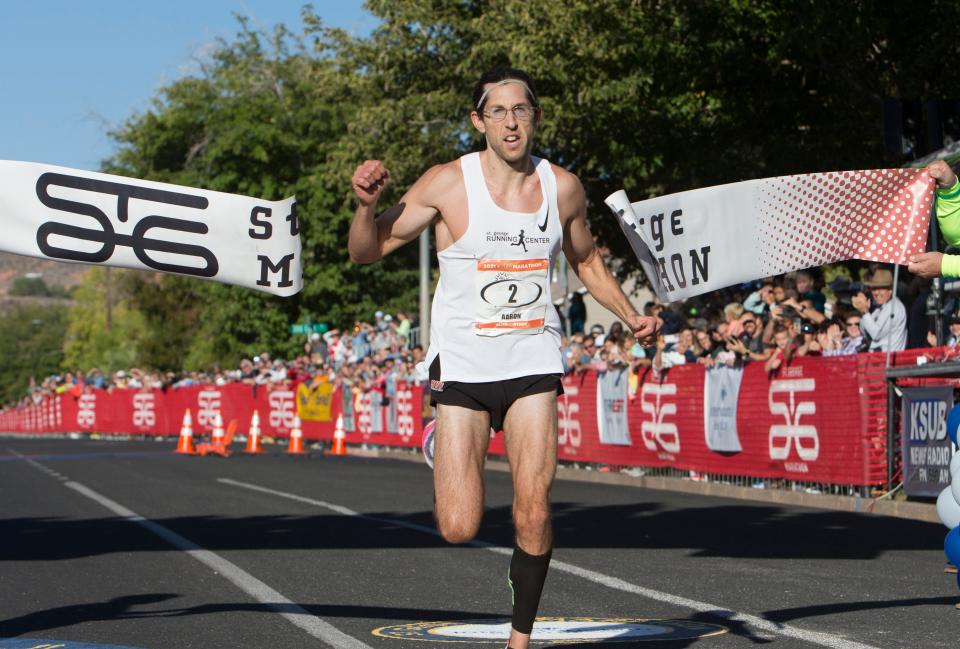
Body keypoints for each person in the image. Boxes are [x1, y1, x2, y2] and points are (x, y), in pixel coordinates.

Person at [347, 66, 659, 649]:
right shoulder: (446, 183)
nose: (511, 122)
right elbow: (368, 251)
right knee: (459, 526)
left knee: (533, 511)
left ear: (535, 117)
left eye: (521, 110)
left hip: (532, 359)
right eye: (499, 112)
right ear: (478, 121)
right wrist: (366, 207)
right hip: (463, 365)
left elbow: (586, 260)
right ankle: (441, 438)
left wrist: (628, 314)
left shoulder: (562, 187)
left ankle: (520, 640)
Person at [851, 269, 906, 352]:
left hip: (889, 360)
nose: (876, 293)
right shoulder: (881, 308)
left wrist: (865, 312)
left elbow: (875, 334)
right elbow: (865, 332)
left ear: (890, 290)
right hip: (879, 359)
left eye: (881, 289)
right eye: (874, 288)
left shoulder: (894, 307)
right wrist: (864, 311)